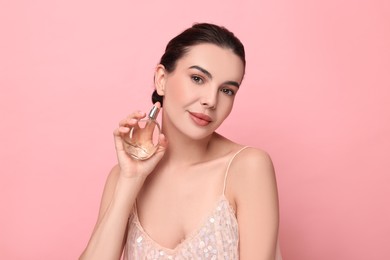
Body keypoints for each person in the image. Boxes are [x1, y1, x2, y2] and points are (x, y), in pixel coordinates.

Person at [80, 23, 282, 260]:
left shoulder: (248, 167)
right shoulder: (122, 177)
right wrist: (130, 181)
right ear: (162, 80)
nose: (210, 100)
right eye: (198, 78)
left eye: (227, 90)